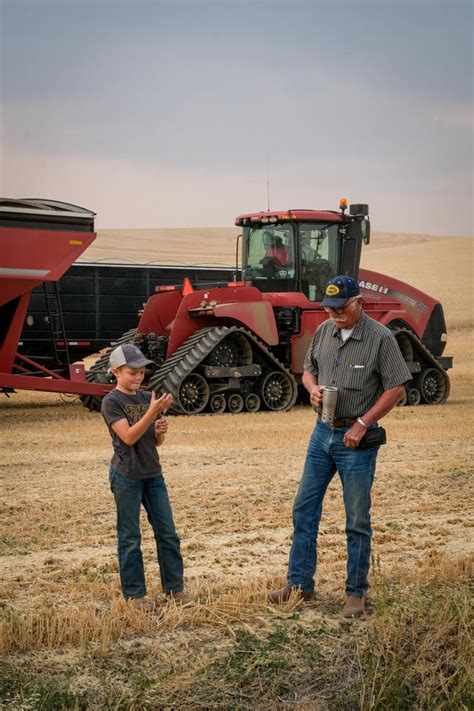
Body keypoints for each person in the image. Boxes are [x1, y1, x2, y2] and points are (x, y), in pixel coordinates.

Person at [268, 275, 412, 617]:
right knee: (304, 509)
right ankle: (300, 585)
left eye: (340, 308)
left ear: (358, 302)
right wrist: (312, 388)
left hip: (356, 440)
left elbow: (397, 389)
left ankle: (355, 594)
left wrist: (363, 424)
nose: (334, 315)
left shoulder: (381, 338)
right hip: (321, 435)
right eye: (329, 309)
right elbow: (308, 370)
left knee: (357, 519)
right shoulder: (323, 332)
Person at [101, 343, 188, 610]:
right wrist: (152, 412)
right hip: (127, 476)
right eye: (132, 372)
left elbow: (154, 442)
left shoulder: (145, 397)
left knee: (168, 534)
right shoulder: (112, 402)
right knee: (130, 538)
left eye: (141, 372)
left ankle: (175, 590)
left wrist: (160, 429)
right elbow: (127, 437)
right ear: (116, 372)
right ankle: (135, 596)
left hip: (153, 474)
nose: (138, 377)